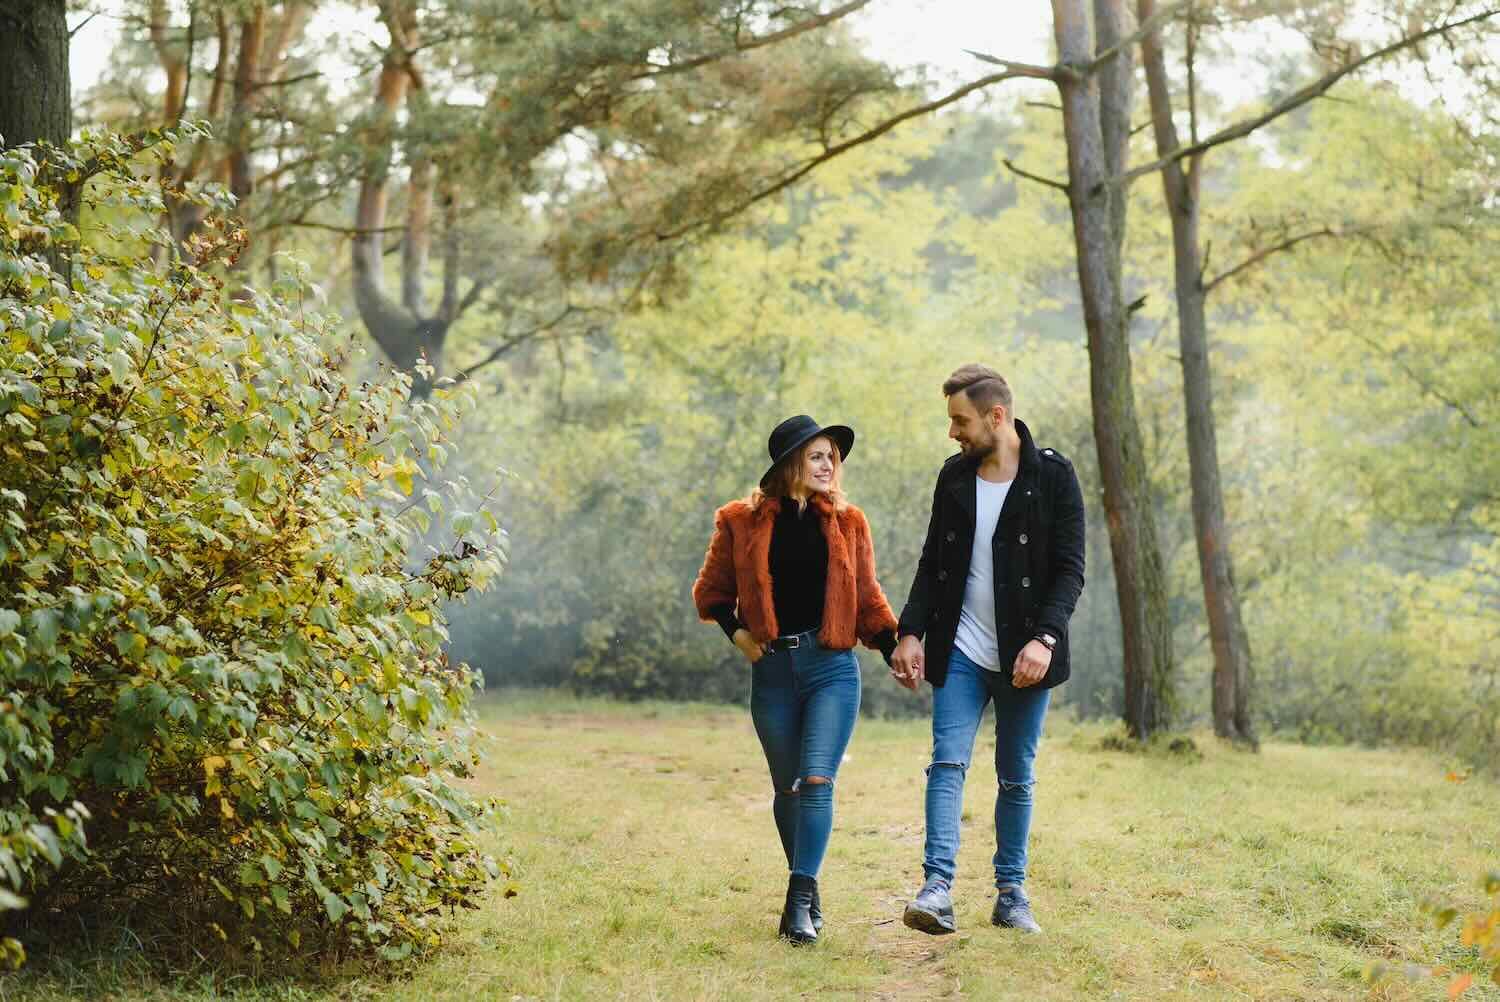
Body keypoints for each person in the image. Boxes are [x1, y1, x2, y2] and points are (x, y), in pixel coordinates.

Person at [890, 364, 1086, 936]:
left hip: (1028, 656)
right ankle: (937, 888)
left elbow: (1071, 569)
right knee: (947, 761)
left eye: (960, 420)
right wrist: (910, 631)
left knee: (1016, 776)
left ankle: (1011, 893)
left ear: (995, 416)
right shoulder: (954, 476)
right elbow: (933, 561)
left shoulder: (1052, 476)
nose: (953, 432)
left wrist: (1044, 640)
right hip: (963, 649)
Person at [693, 414, 899, 945]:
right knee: (786, 788)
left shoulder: (850, 523)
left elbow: (870, 600)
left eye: (833, 456)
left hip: (831, 667)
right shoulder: (739, 521)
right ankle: (807, 886)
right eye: (817, 455)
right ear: (789, 465)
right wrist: (738, 635)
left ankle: (798, 897)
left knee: (816, 780)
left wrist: (897, 649)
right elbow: (713, 592)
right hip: (773, 672)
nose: (829, 464)